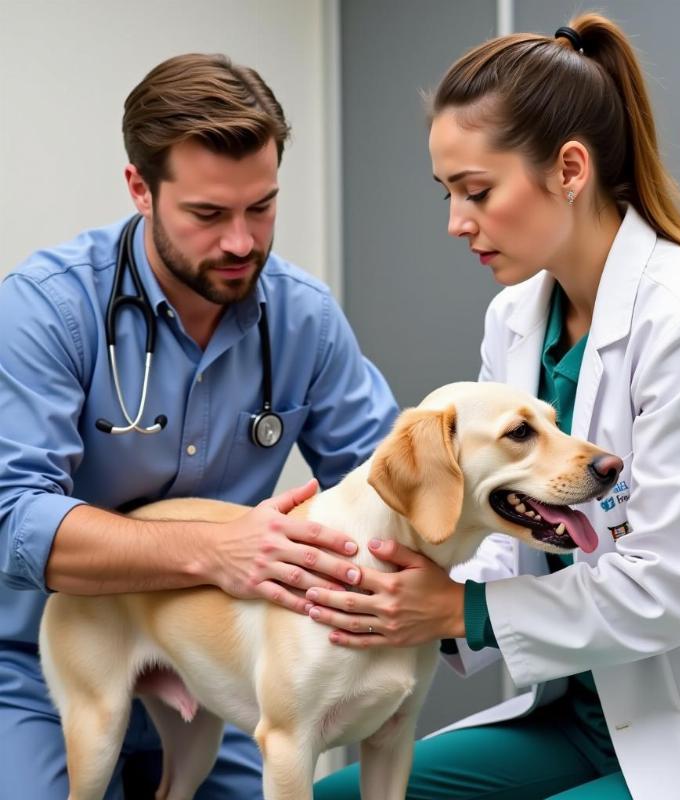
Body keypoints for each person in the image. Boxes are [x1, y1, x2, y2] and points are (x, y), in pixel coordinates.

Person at [311, 13, 680, 800]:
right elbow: (508, 523)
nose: (455, 222)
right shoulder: (515, 318)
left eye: (476, 191)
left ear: (569, 168)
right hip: (582, 715)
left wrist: (460, 614)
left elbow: (667, 587)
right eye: (447, 193)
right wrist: (384, 578)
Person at [0, 53, 397, 798]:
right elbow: (15, 521)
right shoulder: (47, 309)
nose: (243, 243)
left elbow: (386, 486)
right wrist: (215, 549)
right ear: (139, 190)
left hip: (220, 667)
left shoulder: (303, 318)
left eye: (263, 208)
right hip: (32, 663)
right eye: (209, 215)